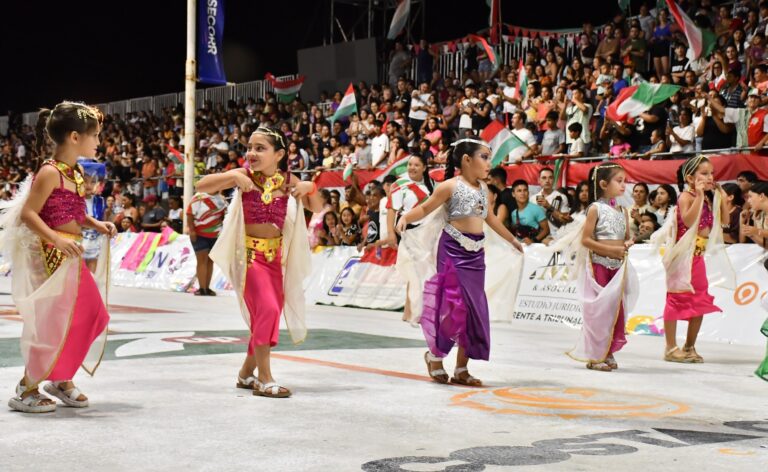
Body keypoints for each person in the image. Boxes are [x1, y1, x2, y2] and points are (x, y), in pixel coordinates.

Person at [1, 102, 115, 413]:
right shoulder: (50, 172)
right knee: (53, 324)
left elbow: (74, 212)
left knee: (93, 315)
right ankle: (27, 388)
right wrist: (55, 239)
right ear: (75, 137)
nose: (98, 142)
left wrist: (95, 223)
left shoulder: (75, 172)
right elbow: (28, 214)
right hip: (52, 256)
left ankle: (61, 377)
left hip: (71, 255)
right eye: (95, 136)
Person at [199, 126, 326, 398]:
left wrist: (310, 186)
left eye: (260, 148)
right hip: (249, 259)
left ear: (279, 154)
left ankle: (245, 374)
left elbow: (316, 207)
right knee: (267, 310)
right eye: (250, 147)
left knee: (266, 318)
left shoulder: (288, 180)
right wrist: (232, 174)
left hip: (275, 261)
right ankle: (264, 379)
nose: (251, 153)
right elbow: (201, 185)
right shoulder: (244, 176)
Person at [395, 137, 523, 387]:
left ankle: (462, 368)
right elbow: (425, 208)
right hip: (452, 251)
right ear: (466, 160)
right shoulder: (449, 186)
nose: (489, 163)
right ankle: (434, 356)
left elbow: (491, 219)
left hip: (476, 255)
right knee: (453, 308)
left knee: (473, 310)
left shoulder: (484, 190)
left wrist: (511, 239)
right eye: (484, 157)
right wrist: (405, 217)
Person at [551, 163, 636, 372]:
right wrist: (609, 251)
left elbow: (625, 237)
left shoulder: (623, 211)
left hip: (618, 267)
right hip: (599, 266)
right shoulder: (596, 209)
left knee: (616, 310)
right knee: (599, 311)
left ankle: (607, 351)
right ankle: (595, 356)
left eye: (625, 181)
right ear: (604, 184)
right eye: (619, 181)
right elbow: (587, 240)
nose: (624, 185)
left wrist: (627, 243)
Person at [651, 155, 735, 363]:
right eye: (704, 174)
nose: (710, 177)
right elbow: (689, 222)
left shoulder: (707, 197)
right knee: (676, 299)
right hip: (682, 257)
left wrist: (722, 198)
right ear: (690, 178)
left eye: (712, 173)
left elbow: (724, 221)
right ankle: (670, 348)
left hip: (698, 257)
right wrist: (699, 195)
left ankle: (689, 346)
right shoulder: (686, 197)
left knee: (699, 299)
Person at [186, 191, 227, 296]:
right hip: (199, 233)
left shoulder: (221, 199)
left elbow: (224, 216)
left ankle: (207, 288)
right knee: (202, 260)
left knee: (210, 261)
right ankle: (202, 288)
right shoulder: (198, 197)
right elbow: (189, 214)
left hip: (216, 234)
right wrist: (192, 230)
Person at [749, 182, 768, 380]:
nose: (749, 200)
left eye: (751, 196)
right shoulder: (761, 216)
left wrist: (757, 231)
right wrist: (753, 232)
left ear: (762, 196)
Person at [531, 167, 571, 238]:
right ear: (538, 180)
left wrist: (549, 206)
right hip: (538, 236)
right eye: (544, 178)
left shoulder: (561, 197)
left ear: (554, 180)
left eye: (550, 178)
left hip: (557, 235)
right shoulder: (533, 198)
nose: (547, 180)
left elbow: (565, 220)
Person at [510, 179, 550, 244]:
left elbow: (546, 230)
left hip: (534, 247)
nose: (522, 193)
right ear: (513, 194)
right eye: (519, 191)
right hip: (520, 247)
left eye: (525, 190)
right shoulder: (513, 213)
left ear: (528, 193)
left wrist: (533, 240)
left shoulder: (536, 209)